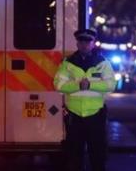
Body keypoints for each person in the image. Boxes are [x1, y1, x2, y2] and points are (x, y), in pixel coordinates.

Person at [53, 28, 116, 171]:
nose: (84, 44)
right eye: (81, 41)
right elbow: (58, 85)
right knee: (74, 156)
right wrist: (78, 86)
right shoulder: (67, 63)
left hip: (96, 115)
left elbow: (111, 85)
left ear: (93, 43)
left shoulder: (103, 63)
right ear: (77, 43)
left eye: (88, 41)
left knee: (98, 155)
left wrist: (91, 85)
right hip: (74, 116)